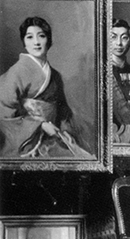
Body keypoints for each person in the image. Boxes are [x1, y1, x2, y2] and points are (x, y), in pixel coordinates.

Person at [0, 16, 93, 158]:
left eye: (41, 36)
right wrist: (39, 125)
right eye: (29, 37)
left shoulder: (55, 75)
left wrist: (65, 131)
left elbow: (62, 111)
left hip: (53, 135)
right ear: (24, 42)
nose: (36, 42)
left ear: (49, 40)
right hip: (27, 141)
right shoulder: (17, 71)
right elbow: (4, 113)